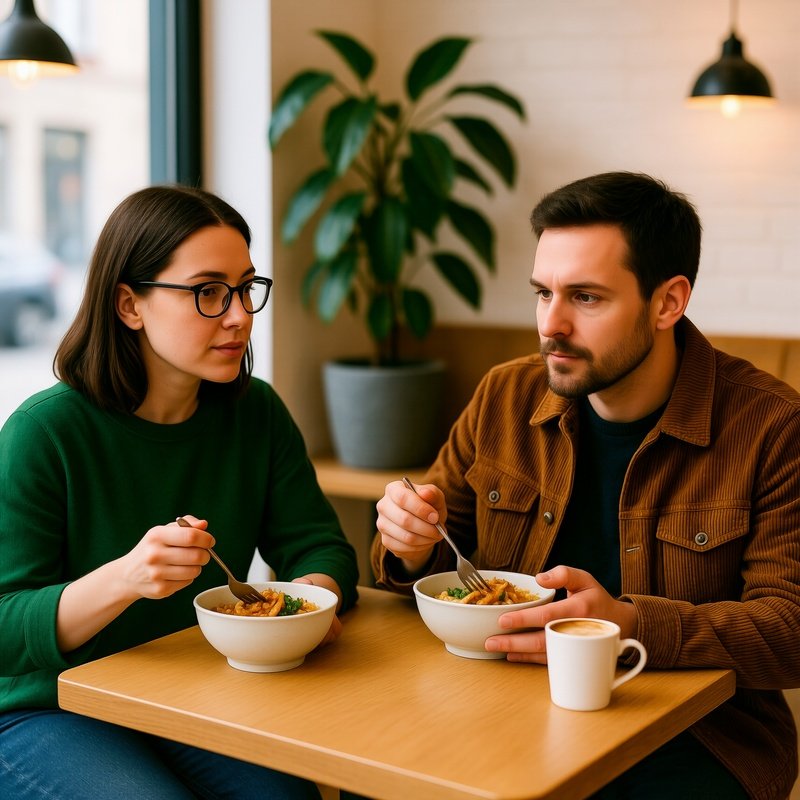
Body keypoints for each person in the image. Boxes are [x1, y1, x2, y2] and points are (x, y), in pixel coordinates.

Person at [372, 171, 800, 799]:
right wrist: (410, 544)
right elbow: (437, 552)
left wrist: (630, 622)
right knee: (379, 778)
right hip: (496, 697)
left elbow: (789, 629)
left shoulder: (771, 425)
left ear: (668, 302)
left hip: (694, 734)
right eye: (543, 293)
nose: (553, 325)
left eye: (587, 298)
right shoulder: (505, 394)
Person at [0, 184, 359, 800]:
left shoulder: (255, 414)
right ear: (129, 305)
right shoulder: (45, 432)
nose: (239, 315)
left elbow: (319, 547)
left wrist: (309, 605)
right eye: (208, 292)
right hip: (46, 707)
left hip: (185, 690)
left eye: (246, 288)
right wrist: (126, 578)